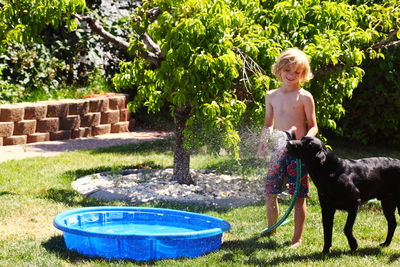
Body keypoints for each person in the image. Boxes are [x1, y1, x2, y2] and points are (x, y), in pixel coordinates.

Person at [257, 48, 318, 248]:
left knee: (298, 197)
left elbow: (313, 125)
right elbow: (268, 124)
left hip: (298, 154)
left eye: (297, 72)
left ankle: (297, 239)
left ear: (303, 74)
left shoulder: (305, 97)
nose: (291, 76)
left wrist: (306, 142)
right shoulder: (271, 95)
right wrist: (262, 144)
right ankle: (271, 229)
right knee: (270, 192)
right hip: (279, 150)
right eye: (288, 71)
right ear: (279, 70)